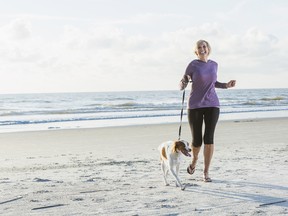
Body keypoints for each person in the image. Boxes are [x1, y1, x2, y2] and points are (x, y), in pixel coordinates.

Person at [179, 39, 236, 182]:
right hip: (195, 106)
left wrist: (226, 85)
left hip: (212, 104)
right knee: (197, 141)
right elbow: (182, 84)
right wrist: (184, 80)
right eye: (199, 47)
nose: (202, 48)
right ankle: (194, 161)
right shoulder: (192, 65)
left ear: (208, 49)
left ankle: (206, 173)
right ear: (196, 51)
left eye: (204, 46)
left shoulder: (214, 65)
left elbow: (213, 83)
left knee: (209, 138)